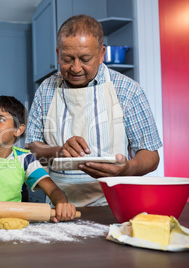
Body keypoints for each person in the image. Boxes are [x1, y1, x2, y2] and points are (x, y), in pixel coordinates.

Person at [25, 14, 162, 207]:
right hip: (60, 205)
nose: (75, 68)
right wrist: (58, 151)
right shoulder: (45, 90)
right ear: (58, 53)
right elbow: (31, 148)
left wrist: (127, 168)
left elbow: (151, 156)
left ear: (101, 54)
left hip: (114, 204)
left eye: (85, 59)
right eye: (67, 59)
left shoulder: (127, 90)